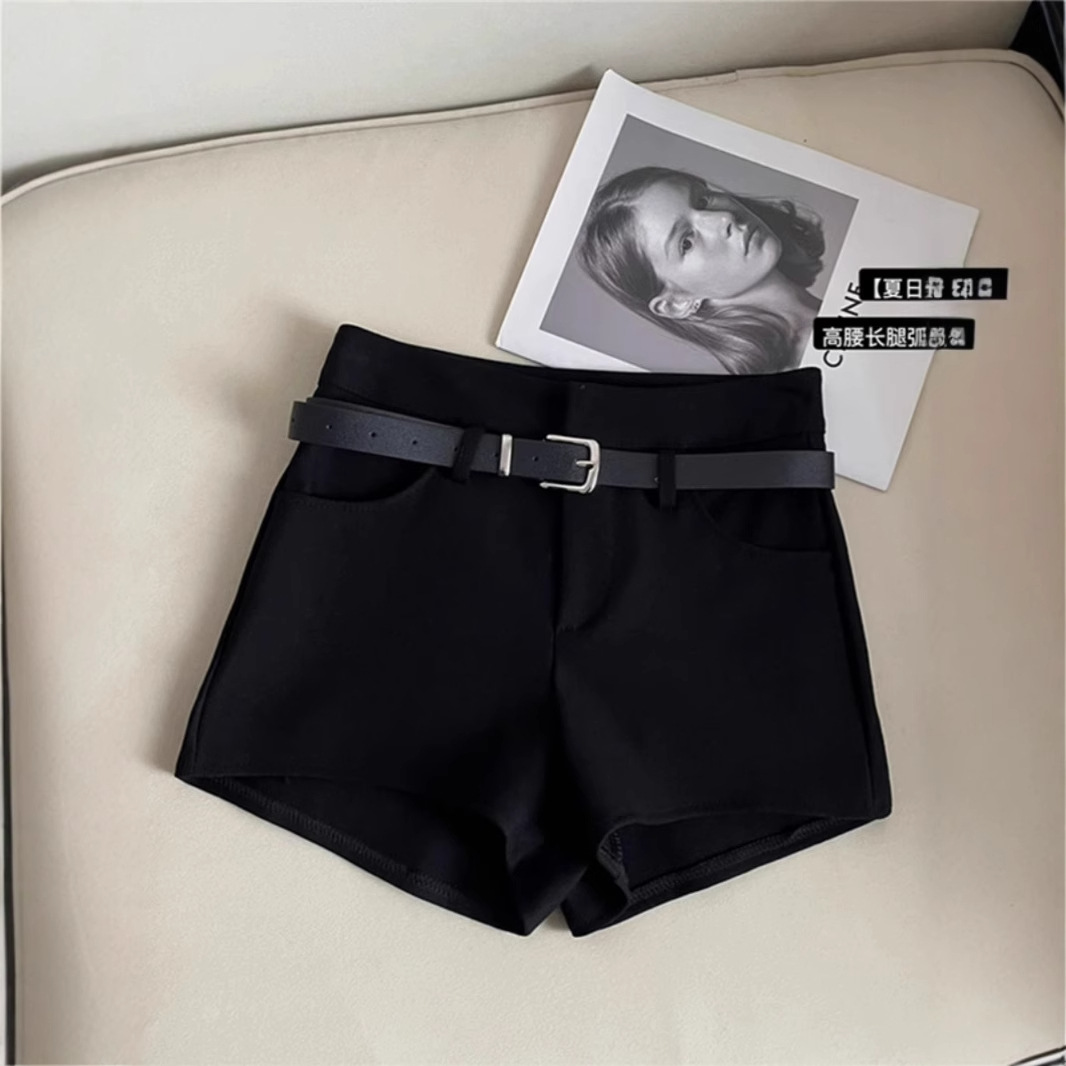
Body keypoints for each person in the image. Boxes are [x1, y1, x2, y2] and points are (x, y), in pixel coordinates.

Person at [575, 165, 827, 373]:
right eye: (686, 242)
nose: (724, 218)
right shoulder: (798, 369)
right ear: (676, 303)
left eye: (703, 200)